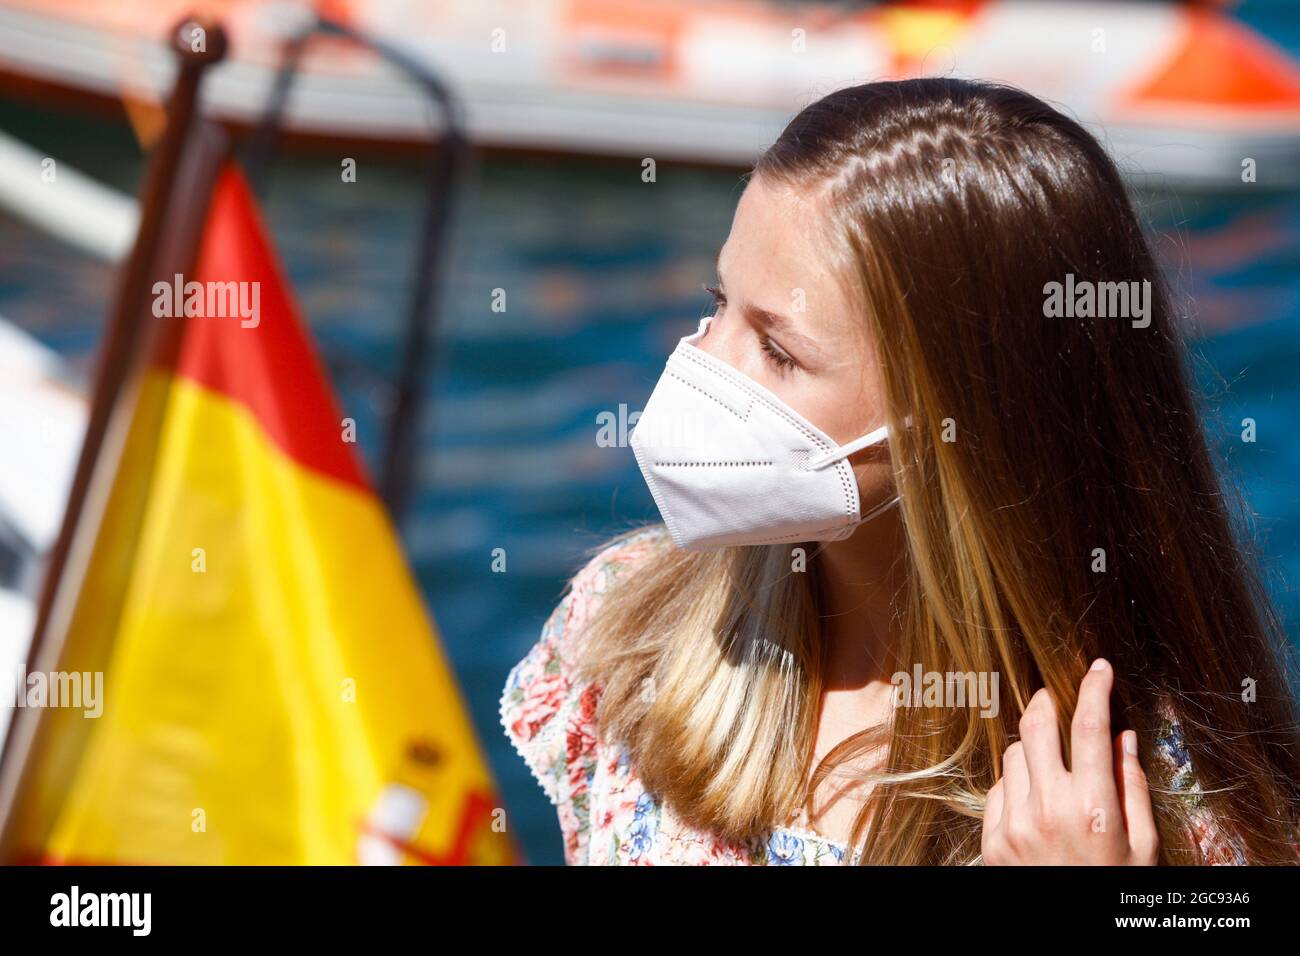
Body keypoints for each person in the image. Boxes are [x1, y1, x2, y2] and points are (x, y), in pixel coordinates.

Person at [502, 78, 1300, 865]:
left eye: (779, 351)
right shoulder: (630, 629)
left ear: (958, 429)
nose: (700, 363)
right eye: (718, 301)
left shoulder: (1158, 806)